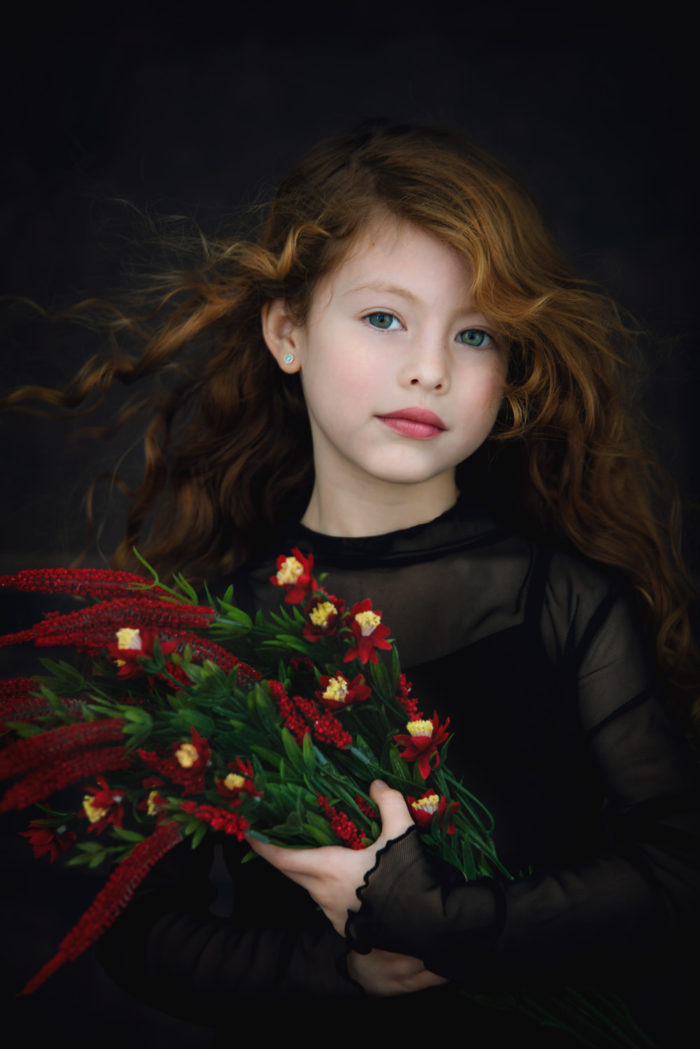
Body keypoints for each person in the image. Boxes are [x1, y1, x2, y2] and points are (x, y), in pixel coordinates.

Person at [5, 121, 699, 1047]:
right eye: (384, 318)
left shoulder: (567, 602)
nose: (430, 367)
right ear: (287, 332)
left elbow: (678, 871)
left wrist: (447, 923)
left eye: (477, 332)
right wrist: (347, 970)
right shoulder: (213, 630)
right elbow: (144, 936)